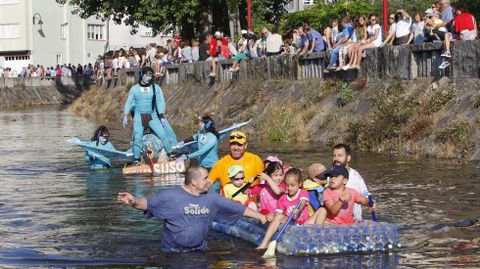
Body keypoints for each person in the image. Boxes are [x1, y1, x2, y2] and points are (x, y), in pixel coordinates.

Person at [117, 165, 267, 253]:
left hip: (200, 251)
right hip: (173, 253)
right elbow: (147, 204)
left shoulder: (211, 198)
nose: (209, 181)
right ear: (194, 181)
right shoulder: (170, 196)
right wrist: (133, 200)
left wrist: (259, 216)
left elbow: (236, 208)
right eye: (205, 178)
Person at [122, 66, 178, 165]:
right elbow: (129, 102)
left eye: (150, 75)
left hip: (152, 116)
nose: (148, 78)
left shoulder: (155, 87)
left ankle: (170, 154)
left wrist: (161, 114)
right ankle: (136, 159)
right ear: (141, 75)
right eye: (146, 75)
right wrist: (125, 115)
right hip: (139, 116)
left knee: (163, 134)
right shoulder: (134, 89)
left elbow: (160, 101)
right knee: (137, 137)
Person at [256, 168, 310, 249]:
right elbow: (278, 214)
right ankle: (264, 243)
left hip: (303, 223)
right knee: (277, 217)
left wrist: (298, 210)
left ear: (299, 184)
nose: (289, 188)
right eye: (287, 185)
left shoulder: (303, 192)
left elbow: (302, 202)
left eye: (292, 185)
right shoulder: (283, 198)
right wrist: (272, 216)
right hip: (291, 223)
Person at [306, 166, 377, 224]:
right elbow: (333, 211)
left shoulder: (352, 192)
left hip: (348, 225)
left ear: (345, 181)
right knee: (323, 210)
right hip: (333, 224)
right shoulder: (327, 192)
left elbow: (363, 201)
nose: (332, 178)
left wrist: (371, 203)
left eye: (336, 176)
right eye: (331, 176)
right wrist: (340, 200)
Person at [331, 143, 369, 221]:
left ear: (348, 158)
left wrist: (371, 204)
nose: (336, 159)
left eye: (340, 155)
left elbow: (366, 197)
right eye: (334, 155)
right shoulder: (328, 175)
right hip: (333, 223)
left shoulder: (355, 177)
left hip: (353, 223)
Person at [439, 4, 477, 69]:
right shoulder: (472, 16)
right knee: (449, 41)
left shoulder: (457, 17)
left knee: (446, 36)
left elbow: (454, 30)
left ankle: (447, 55)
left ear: (460, 10)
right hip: (472, 36)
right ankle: (447, 59)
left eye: (456, 11)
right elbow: (475, 28)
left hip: (463, 37)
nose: (456, 12)